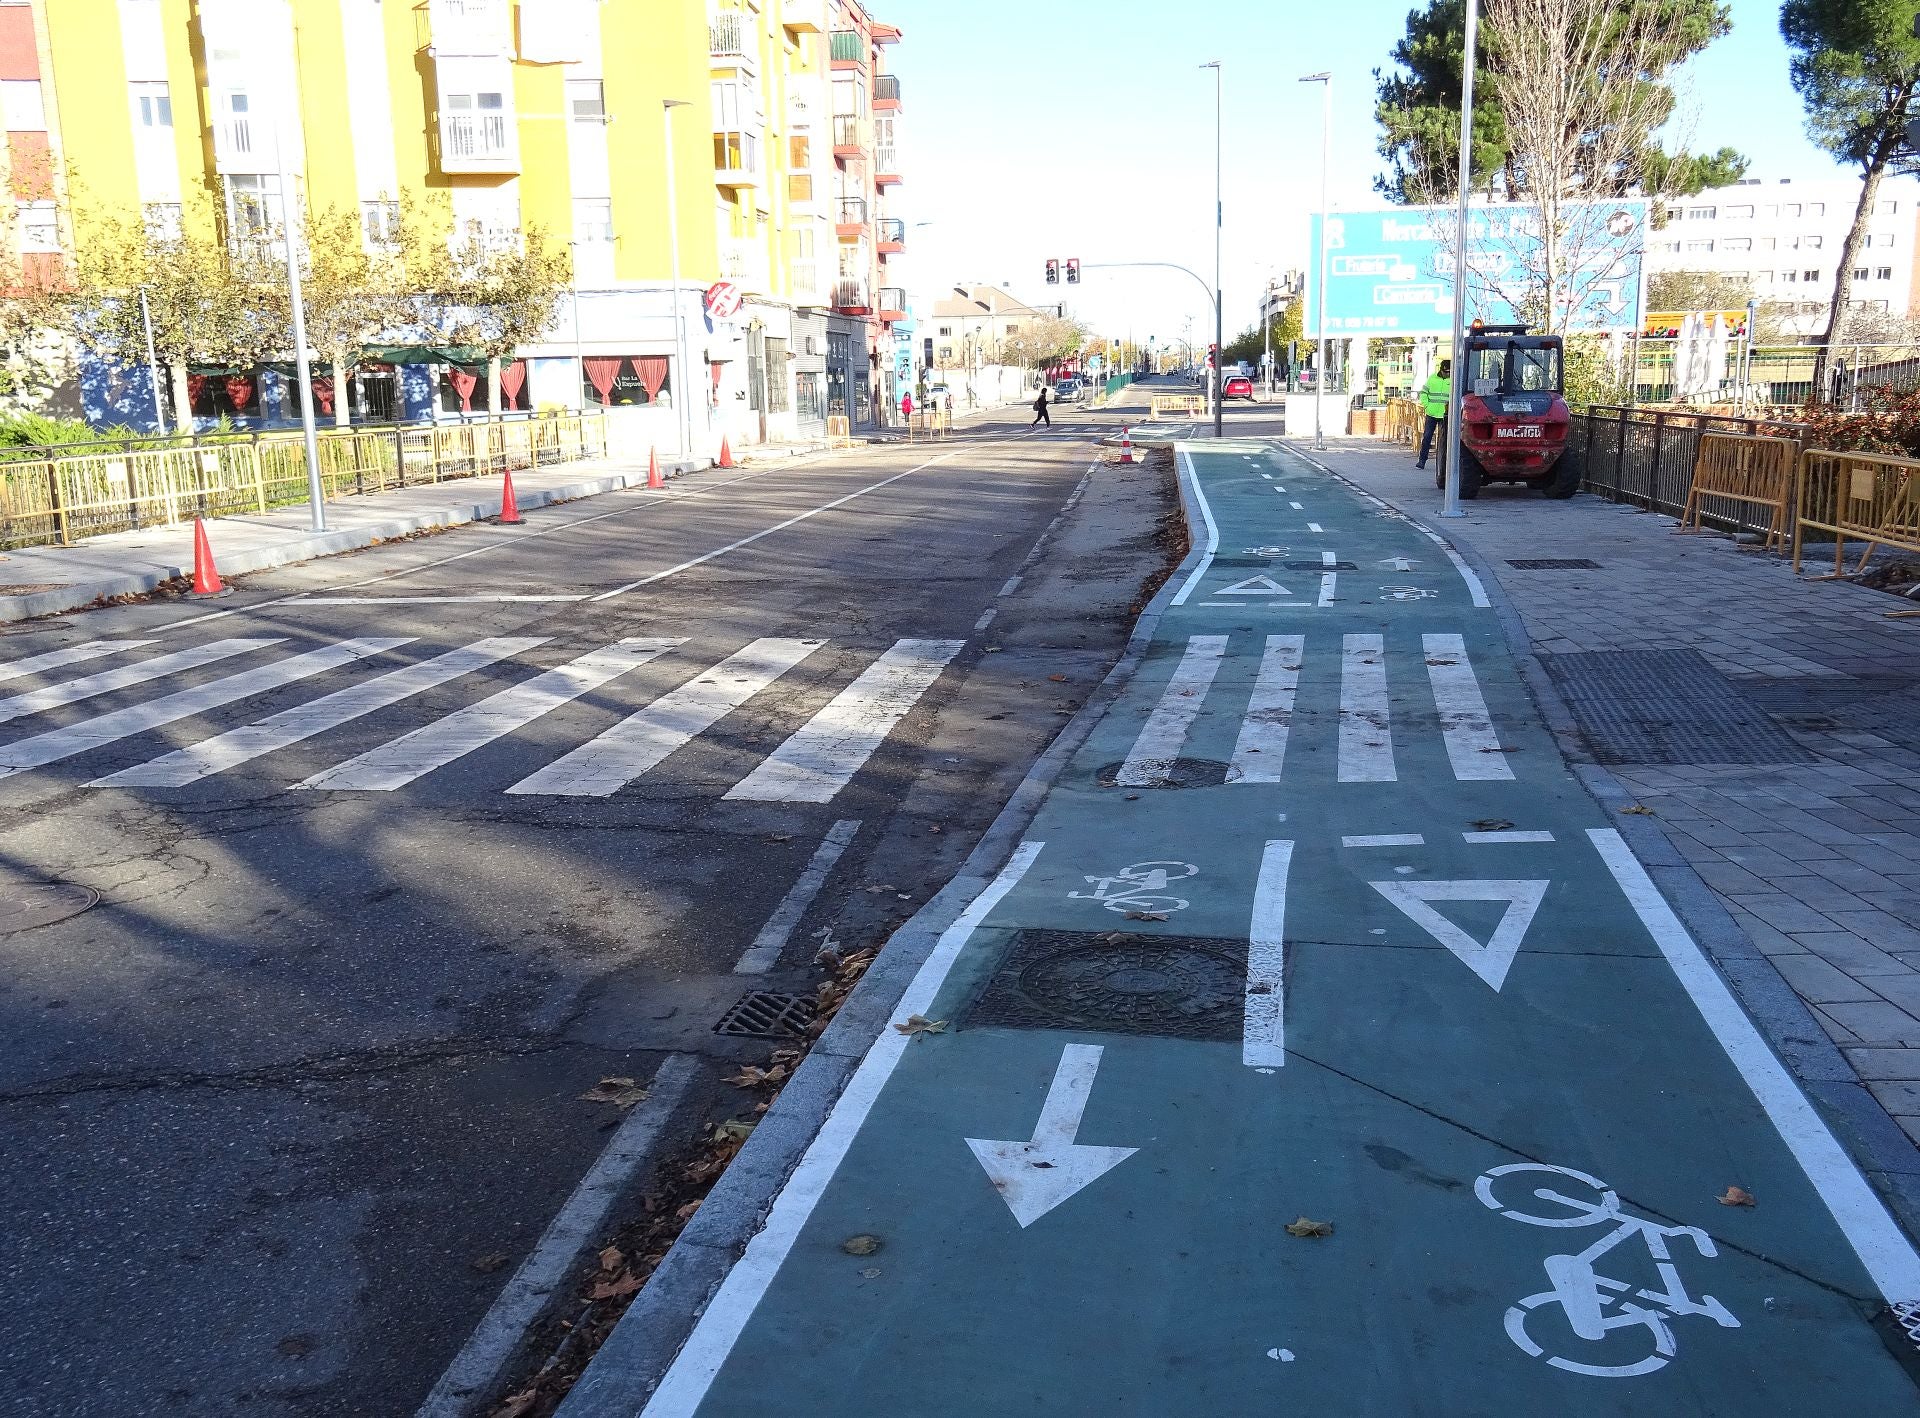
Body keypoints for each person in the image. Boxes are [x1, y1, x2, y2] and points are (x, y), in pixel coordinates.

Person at [1415, 359, 1451, 469]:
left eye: (1449, 372)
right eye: (1446, 372)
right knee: (1427, 437)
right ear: (1441, 370)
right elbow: (1424, 393)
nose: (1448, 374)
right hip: (1432, 413)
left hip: (1446, 414)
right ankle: (1422, 460)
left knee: (1445, 440)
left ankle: (1445, 463)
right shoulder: (1432, 378)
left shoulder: (1453, 379)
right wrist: (1427, 405)